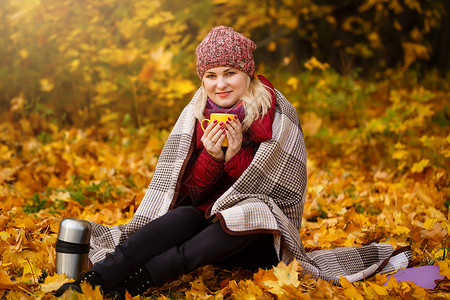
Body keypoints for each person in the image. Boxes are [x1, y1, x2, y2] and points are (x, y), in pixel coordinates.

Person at [56, 26, 411, 298]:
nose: (220, 85)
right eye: (211, 76)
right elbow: (189, 195)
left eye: (230, 73)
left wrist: (236, 155)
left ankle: (135, 284)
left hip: (257, 239)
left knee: (245, 212)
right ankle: (96, 281)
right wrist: (211, 157)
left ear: (248, 74)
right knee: (181, 216)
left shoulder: (277, 116)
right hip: (206, 228)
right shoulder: (196, 115)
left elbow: (270, 194)